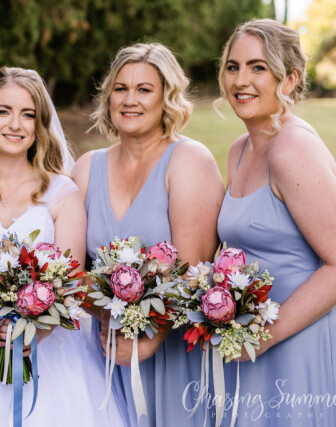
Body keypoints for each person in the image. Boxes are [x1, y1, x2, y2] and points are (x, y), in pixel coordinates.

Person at [0, 67, 127, 426]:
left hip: (53, 352)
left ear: (40, 126)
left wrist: (36, 329)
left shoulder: (62, 192)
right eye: (3, 111)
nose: (15, 124)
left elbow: (71, 278)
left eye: (27, 114)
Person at [215, 18, 336, 425]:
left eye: (258, 67)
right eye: (233, 67)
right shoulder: (239, 150)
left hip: (305, 344)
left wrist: (261, 337)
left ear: (289, 79)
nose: (241, 80)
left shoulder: (292, 148)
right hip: (257, 346)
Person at [72, 43, 225, 426]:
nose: (130, 100)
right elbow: (71, 272)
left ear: (166, 97)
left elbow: (194, 275)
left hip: (170, 353)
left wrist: (149, 338)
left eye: (144, 89)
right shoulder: (88, 168)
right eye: (120, 89)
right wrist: (107, 318)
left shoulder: (189, 161)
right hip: (104, 354)